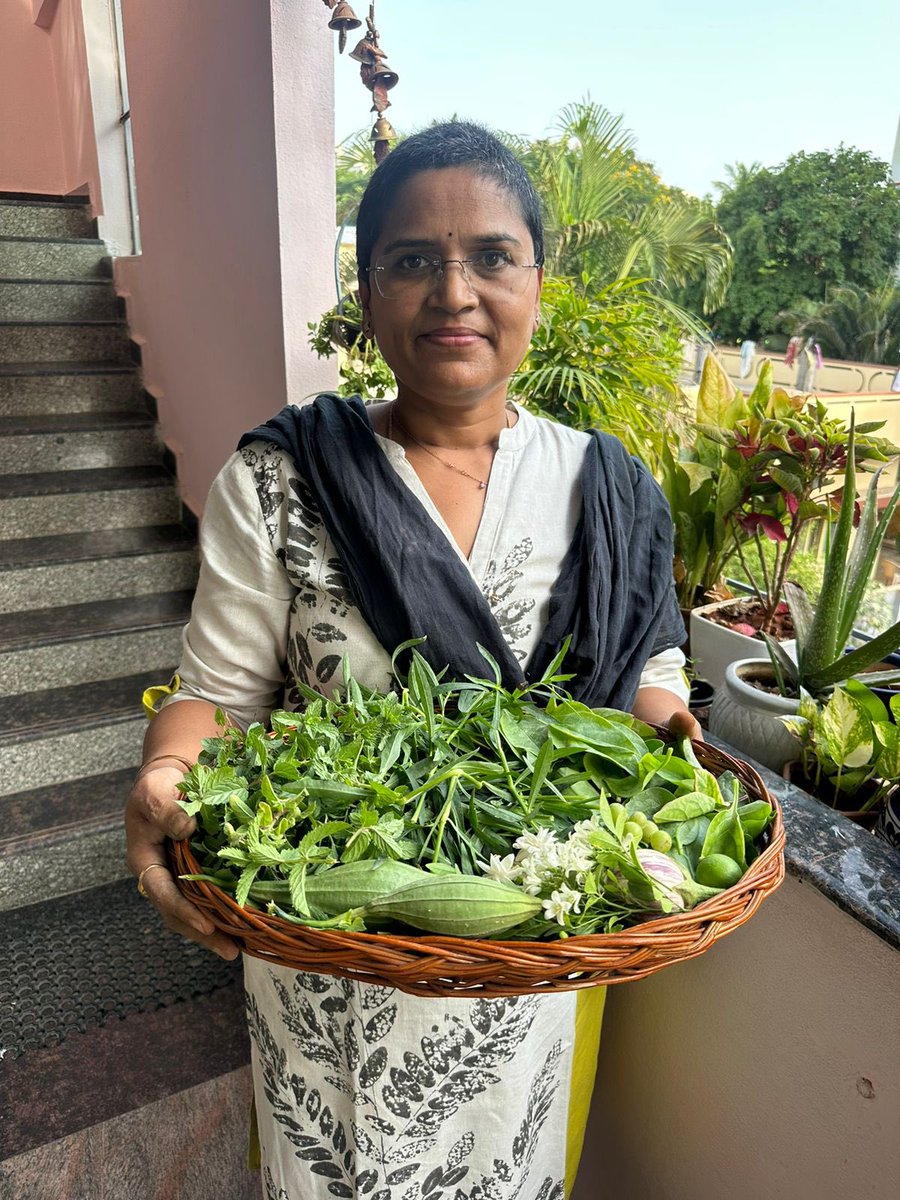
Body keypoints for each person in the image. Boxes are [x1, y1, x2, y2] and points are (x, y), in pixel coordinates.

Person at [125, 121, 699, 1200]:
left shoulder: (610, 488)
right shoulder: (285, 481)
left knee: (514, 1165)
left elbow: (650, 658)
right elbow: (216, 696)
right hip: (336, 941)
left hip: (537, 935)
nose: (454, 292)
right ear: (369, 290)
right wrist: (164, 778)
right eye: (410, 261)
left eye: (491, 255)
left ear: (537, 276)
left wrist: (666, 726)